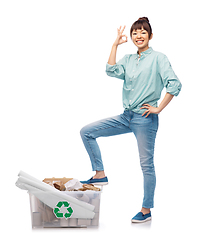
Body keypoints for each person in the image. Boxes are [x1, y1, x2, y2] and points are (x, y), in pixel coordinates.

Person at [80, 17, 182, 223]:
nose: (138, 36)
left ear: (150, 36)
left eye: (143, 32)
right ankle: (100, 174)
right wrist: (114, 45)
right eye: (135, 32)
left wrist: (159, 108)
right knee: (87, 131)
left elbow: (174, 84)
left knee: (146, 166)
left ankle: (146, 211)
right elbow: (110, 70)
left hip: (145, 119)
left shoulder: (159, 58)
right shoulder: (127, 59)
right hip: (126, 116)